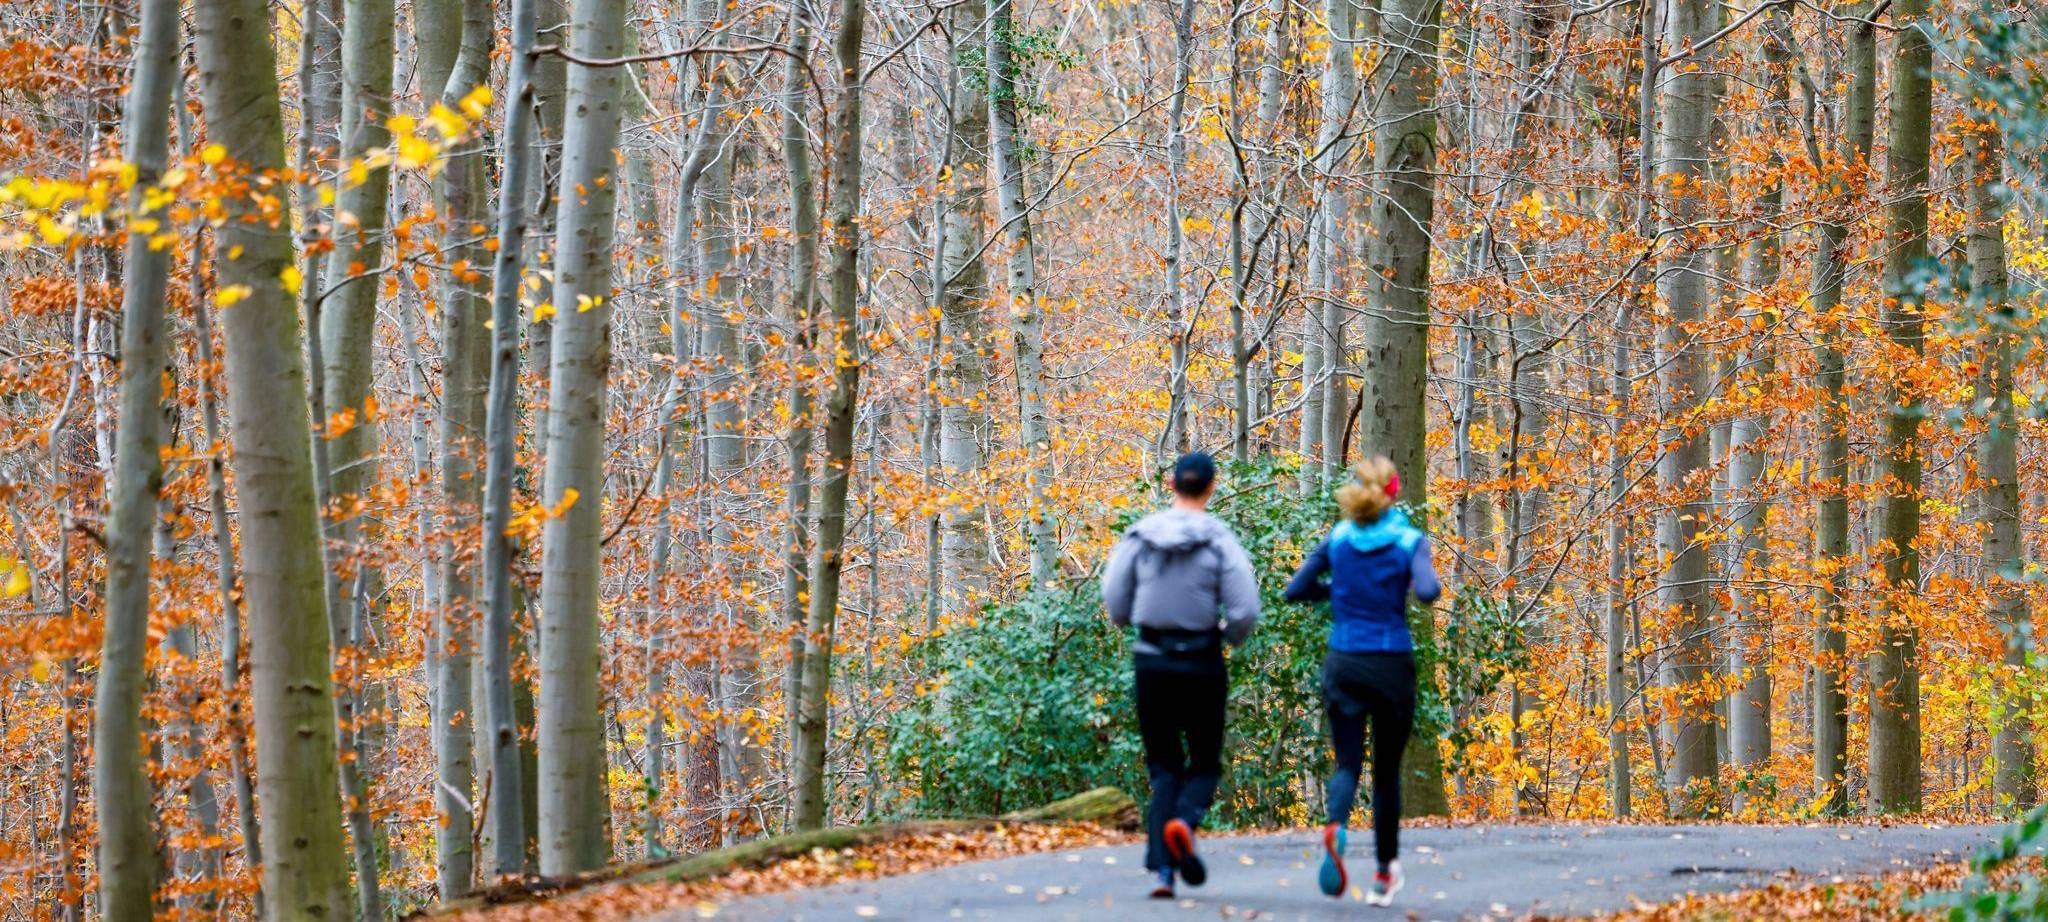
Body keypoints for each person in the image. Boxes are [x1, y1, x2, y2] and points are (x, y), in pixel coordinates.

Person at [1102, 451, 1261, 899]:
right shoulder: (1219, 540)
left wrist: (1132, 621)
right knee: (1205, 763)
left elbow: (1114, 596)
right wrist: (1228, 635)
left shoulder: (1141, 535)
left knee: (1164, 767)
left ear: (1172, 484)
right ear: (1211, 487)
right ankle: (1184, 824)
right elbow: (1246, 607)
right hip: (1202, 660)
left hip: (1152, 659)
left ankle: (1163, 873)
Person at [1283, 456, 1440, 907]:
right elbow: (1428, 593)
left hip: (1344, 661)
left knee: (1347, 763)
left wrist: (1338, 591)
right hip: (1390, 665)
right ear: (1393, 494)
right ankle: (1383, 875)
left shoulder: (1338, 539)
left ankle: (1336, 823)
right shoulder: (1409, 541)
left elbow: (1295, 590)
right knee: (1387, 774)